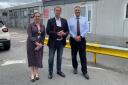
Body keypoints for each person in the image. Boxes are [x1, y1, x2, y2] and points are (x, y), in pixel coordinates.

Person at [46, 6, 69, 79]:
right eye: (56, 10)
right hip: (52, 43)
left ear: (60, 11)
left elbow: (67, 30)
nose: (58, 12)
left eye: (59, 11)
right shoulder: (50, 20)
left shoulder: (64, 20)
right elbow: (48, 31)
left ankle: (59, 71)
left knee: (59, 58)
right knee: (51, 59)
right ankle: (50, 72)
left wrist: (65, 34)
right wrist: (57, 34)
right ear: (54, 11)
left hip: (61, 43)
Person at [68, 6, 90, 80]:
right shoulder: (70, 20)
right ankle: (75, 68)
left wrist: (80, 36)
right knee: (73, 56)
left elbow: (87, 29)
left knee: (83, 56)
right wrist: (74, 36)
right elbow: (69, 30)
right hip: (73, 40)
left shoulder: (84, 19)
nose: (77, 11)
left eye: (78, 10)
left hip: (82, 40)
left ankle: (84, 71)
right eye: (76, 10)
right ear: (74, 11)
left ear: (80, 11)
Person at [27, 12, 45, 82]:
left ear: (40, 17)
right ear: (33, 17)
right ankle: (32, 73)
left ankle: (36, 73)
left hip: (40, 44)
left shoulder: (42, 25)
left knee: (38, 58)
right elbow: (30, 35)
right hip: (31, 44)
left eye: (38, 16)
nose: (37, 17)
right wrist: (36, 43)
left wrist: (40, 44)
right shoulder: (30, 25)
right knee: (32, 58)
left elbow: (43, 35)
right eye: (36, 16)